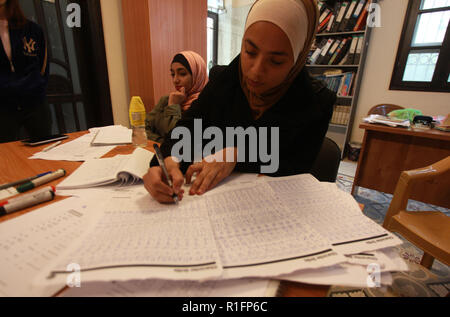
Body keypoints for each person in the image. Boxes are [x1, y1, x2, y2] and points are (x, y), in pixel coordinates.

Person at [144, 0, 336, 203]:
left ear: (298, 58)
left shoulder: (316, 103)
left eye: (276, 61)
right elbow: (188, 129)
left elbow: (292, 168)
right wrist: (165, 162)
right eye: (250, 52)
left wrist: (237, 153)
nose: (255, 71)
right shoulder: (225, 80)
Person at [0, 0, 51, 143]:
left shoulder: (32, 29)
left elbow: (43, 67)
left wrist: (36, 89)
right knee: (5, 156)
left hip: (34, 103)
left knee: (44, 150)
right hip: (2, 106)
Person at [145, 51, 208, 143]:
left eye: (182, 74)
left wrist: (173, 106)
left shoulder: (203, 105)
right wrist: (162, 141)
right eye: (173, 74)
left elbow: (179, 139)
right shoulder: (167, 99)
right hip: (156, 152)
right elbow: (144, 128)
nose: (175, 80)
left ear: (197, 75)